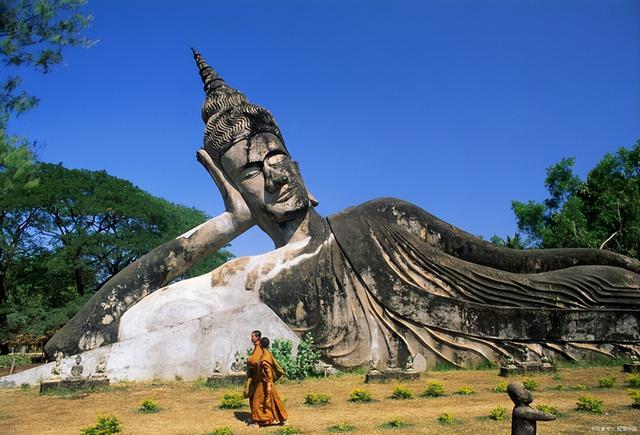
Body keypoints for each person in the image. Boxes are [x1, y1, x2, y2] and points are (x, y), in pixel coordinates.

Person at [44, 49, 640, 371]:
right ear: (230, 182)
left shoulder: (381, 216)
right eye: (251, 170)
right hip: (508, 349)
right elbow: (81, 340)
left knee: (607, 287)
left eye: (276, 154)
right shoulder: (240, 278)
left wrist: (599, 255)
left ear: (294, 156)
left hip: (527, 311)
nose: (272, 173)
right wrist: (228, 225)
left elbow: (513, 262)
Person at [246, 332, 287, 427]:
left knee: (257, 403)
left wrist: (268, 384)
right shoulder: (267, 354)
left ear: (260, 343)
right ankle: (281, 419)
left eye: (252, 336)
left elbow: (268, 371)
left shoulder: (265, 358)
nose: (251, 338)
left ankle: (257, 422)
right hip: (265, 382)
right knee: (274, 401)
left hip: (264, 383)